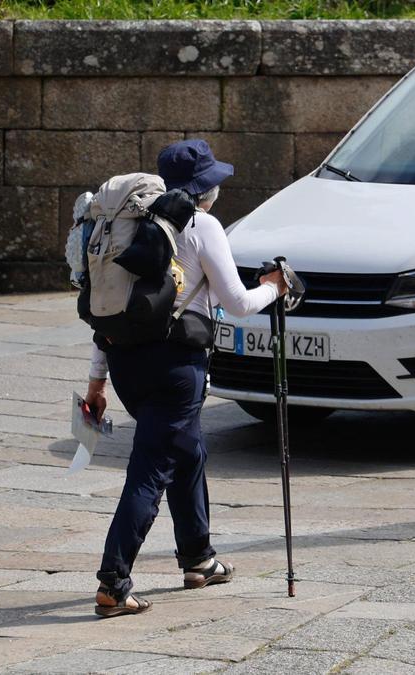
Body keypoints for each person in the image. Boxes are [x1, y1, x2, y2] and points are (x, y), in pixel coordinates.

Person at [86, 139, 288, 617]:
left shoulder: (128, 222)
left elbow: (106, 309)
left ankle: (199, 559)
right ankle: (113, 582)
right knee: (150, 470)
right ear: (206, 189)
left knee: (189, 451)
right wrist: (274, 288)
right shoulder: (201, 224)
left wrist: (96, 383)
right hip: (175, 367)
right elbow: (238, 304)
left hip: (125, 365)